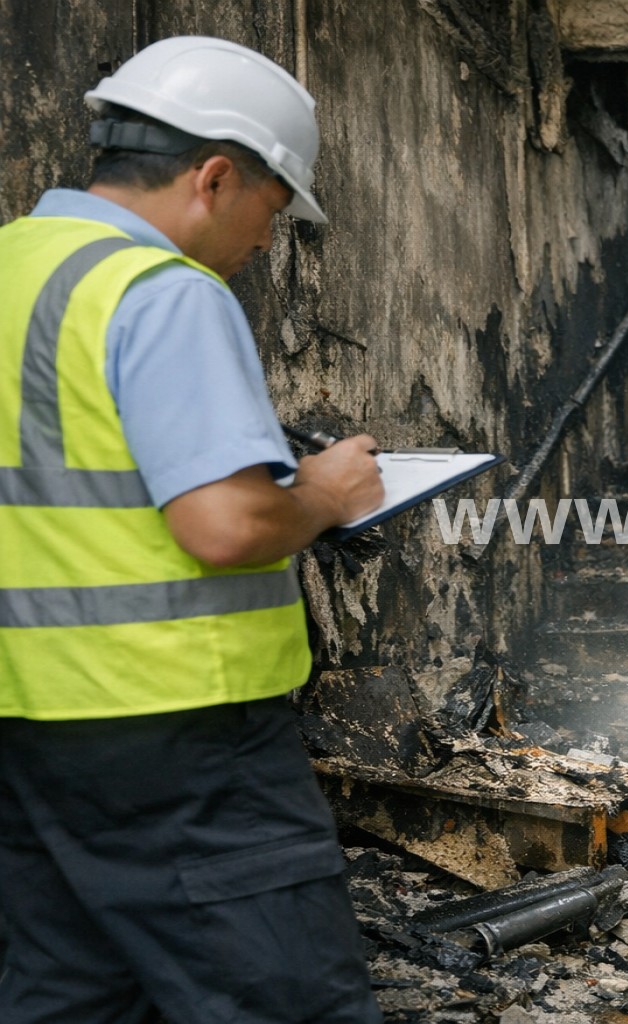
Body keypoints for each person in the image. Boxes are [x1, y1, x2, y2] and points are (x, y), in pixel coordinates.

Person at [0, 37, 384, 1023]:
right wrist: (327, 492)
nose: (272, 237)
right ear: (214, 176)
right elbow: (223, 522)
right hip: (182, 732)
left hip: (33, 727)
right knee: (285, 999)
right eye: (274, 205)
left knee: (72, 994)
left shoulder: (15, 270)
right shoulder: (161, 291)